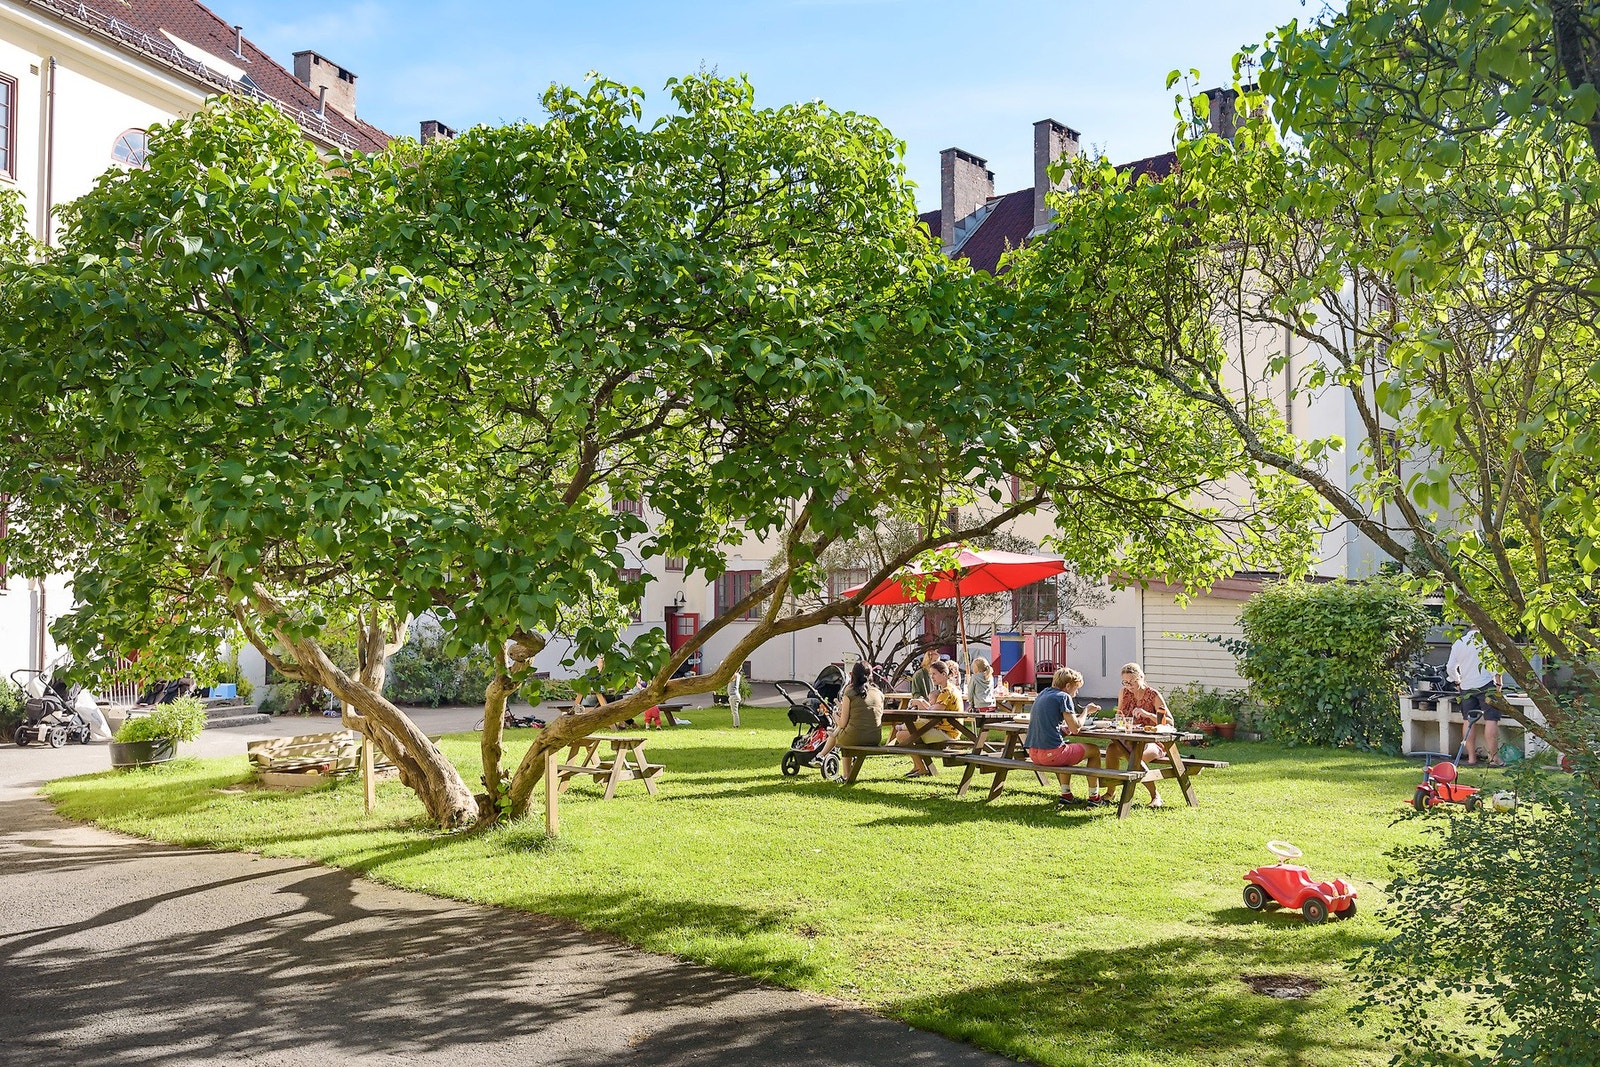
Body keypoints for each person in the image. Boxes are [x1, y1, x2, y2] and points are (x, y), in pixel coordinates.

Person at [1024, 667, 1107, 806]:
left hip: (1034, 753)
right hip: (1052, 755)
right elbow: (1076, 728)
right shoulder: (1064, 697)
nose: (1077, 692)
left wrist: (1063, 731)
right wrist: (1086, 710)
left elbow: (1047, 724)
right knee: (1094, 750)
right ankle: (1094, 797)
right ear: (1068, 686)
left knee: (1067, 748)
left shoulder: (1043, 693)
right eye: (1076, 688)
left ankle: (1066, 795)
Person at [1104, 662, 1172, 807]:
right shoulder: (1124, 692)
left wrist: (1148, 714)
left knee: (1135, 755)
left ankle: (1155, 796)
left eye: (1132, 681)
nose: (1129, 685)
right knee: (1111, 749)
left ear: (1141, 677)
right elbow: (1120, 715)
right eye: (1125, 682)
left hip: (1154, 741)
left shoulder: (1153, 695)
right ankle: (1111, 792)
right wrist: (1112, 721)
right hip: (1129, 739)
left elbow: (1170, 722)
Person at [894, 659, 963, 777]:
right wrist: (922, 703)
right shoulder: (949, 689)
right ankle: (919, 766)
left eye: (934, 674)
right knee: (908, 733)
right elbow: (934, 709)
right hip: (947, 729)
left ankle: (921, 768)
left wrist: (920, 704)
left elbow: (933, 713)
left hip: (947, 732)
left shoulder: (947, 691)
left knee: (902, 735)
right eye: (931, 674)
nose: (932, 677)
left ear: (944, 674)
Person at [816, 661, 885, 773]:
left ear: (853, 675)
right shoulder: (879, 693)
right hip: (874, 738)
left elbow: (842, 723)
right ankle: (822, 756)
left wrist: (834, 715)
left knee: (841, 733)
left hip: (853, 737)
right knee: (843, 732)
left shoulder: (850, 691)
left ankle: (843, 773)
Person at [1448, 627, 1503, 766]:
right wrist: (1499, 682)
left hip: (1466, 687)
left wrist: (1457, 680)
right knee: (1491, 719)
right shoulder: (1486, 641)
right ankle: (1493, 758)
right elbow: (1497, 664)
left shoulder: (1459, 642)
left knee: (1468, 720)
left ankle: (1471, 758)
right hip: (1486, 685)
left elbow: (1450, 667)